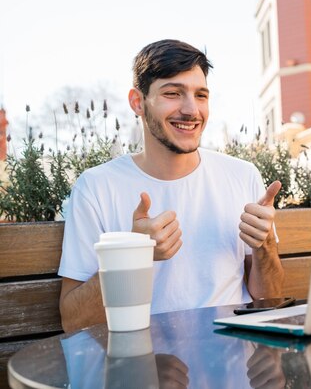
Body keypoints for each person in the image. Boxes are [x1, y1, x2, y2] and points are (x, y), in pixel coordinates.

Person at [58, 39, 284, 332]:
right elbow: (73, 321)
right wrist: (132, 254)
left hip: (232, 359)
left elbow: (270, 299)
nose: (191, 110)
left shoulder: (242, 176)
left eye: (201, 95)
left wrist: (265, 246)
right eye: (173, 93)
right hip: (143, 364)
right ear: (138, 102)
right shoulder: (96, 188)